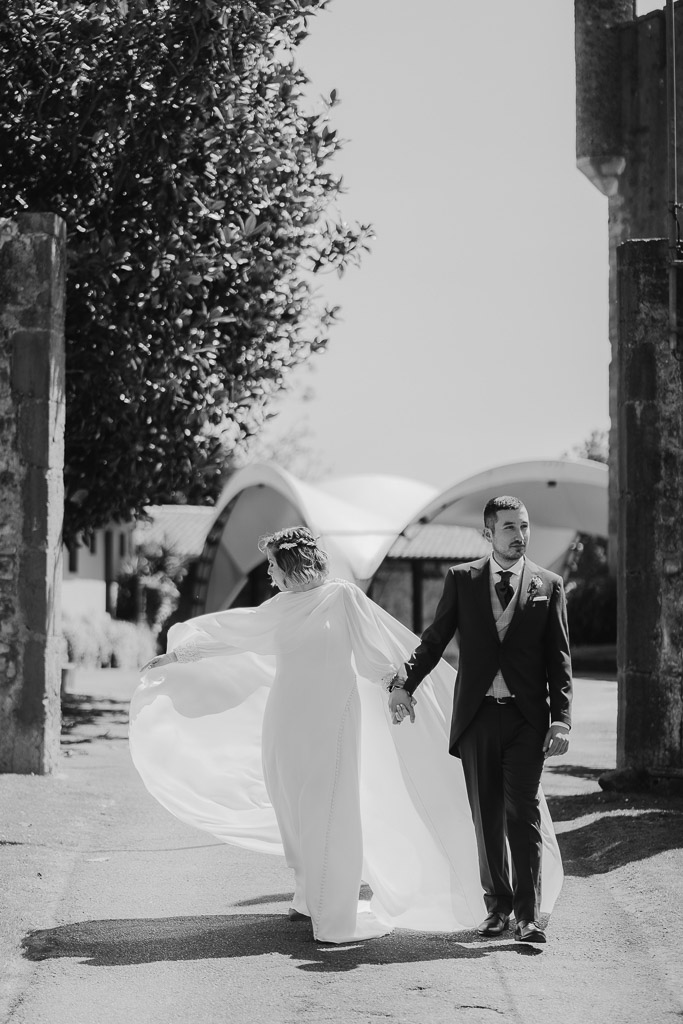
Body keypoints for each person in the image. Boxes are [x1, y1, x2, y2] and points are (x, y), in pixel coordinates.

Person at [130, 525, 564, 944]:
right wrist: (176, 657)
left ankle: (333, 911)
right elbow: (233, 635)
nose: (267, 575)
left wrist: (397, 690)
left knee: (328, 809)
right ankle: (308, 894)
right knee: (291, 805)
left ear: (293, 564)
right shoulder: (278, 606)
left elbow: (373, 650)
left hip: (332, 718)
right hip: (285, 720)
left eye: (272, 566)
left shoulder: (342, 597)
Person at [388, 496, 572, 944]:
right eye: (509, 527)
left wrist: (561, 719)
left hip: (528, 720)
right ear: (488, 533)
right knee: (486, 817)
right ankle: (497, 909)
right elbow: (434, 640)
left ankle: (527, 918)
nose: (519, 535)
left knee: (522, 815)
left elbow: (559, 660)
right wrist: (403, 685)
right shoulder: (462, 580)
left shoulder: (550, 585)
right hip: (477, 718)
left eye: (524, 526)